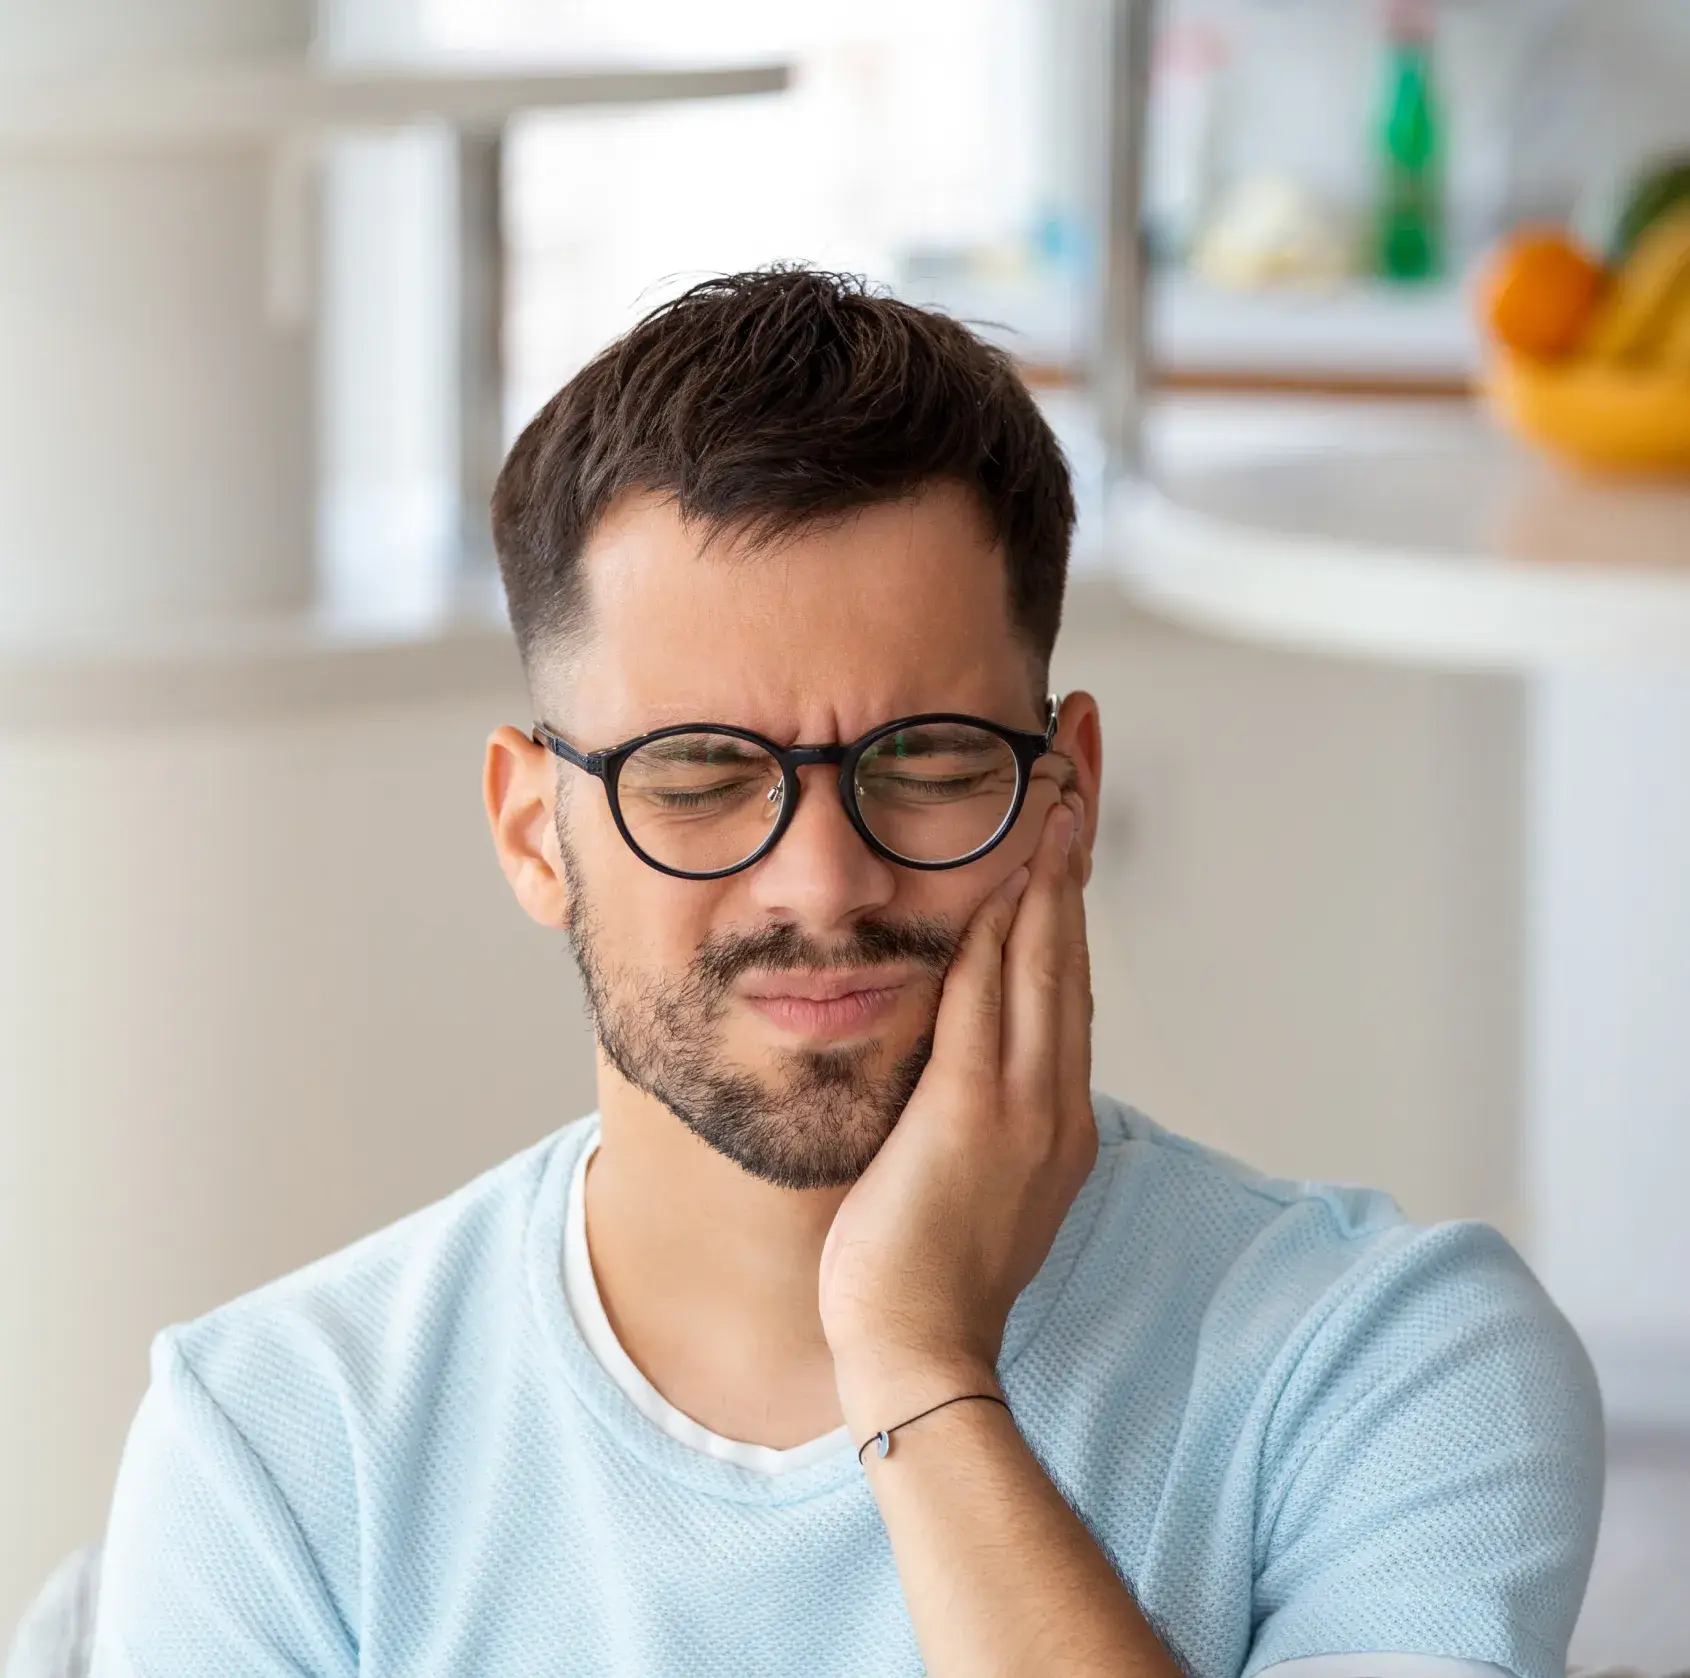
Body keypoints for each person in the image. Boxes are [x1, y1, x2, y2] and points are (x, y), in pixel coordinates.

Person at [90, 268, 1602, 1678]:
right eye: (696, 773)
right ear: (530, 831)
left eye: (927, 760)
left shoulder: (1386, 1363)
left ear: (1063, 792)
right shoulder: (279, 1446)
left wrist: (913, 1360)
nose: (821, 880)